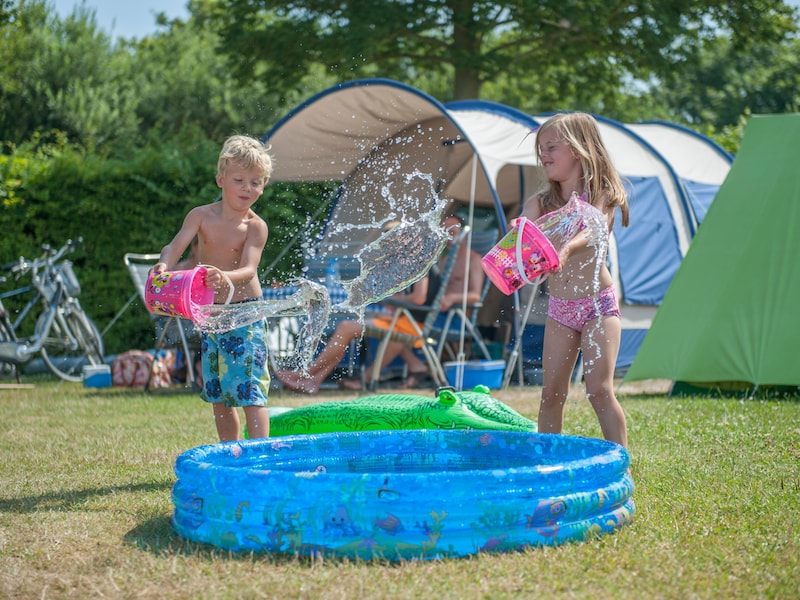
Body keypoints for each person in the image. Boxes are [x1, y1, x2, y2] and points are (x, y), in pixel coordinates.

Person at [152, 135, 274, 442]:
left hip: (245, 314)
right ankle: (229, 453)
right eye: (239, 180)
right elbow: (174, 246)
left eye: (256, 182)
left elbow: (249, 270)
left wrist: (225, 277)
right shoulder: (200, 216)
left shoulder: (255, 227)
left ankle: (259, 453)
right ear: (220, 179)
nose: (248, 188)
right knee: (217, 389)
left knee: (249, 388)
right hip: (209, 314)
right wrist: (164, 265)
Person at [518, 112, 629, 447]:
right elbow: (524, 233)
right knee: (551, 393)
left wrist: (564, 249)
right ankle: (548, 465)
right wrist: (520, 235)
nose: (544, 155)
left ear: (580, 150)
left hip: (598, 305)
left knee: (599, 390)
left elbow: (592, 229)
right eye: (541, 149)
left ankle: (620, 466)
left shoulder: (603, 193)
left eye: (552, 147)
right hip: (561, 309)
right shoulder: (539, 202)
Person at [276, 215, 482, 393]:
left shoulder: (419, 261)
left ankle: (308, 374)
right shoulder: (410, 261)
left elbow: (419, 299)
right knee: (353, 323)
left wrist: (389, 299)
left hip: (415, 323)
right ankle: (313, 380)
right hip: (404, 318)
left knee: (347, 327)